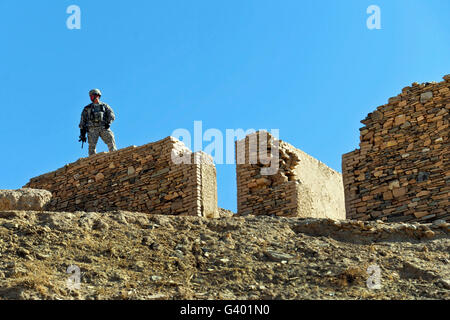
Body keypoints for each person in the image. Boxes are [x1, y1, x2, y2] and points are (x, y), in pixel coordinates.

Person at [79, 89, 117, 156]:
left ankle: (114, 155)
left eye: (92, 96)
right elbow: (82, 121)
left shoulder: (104, 106)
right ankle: (92, 160)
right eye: (90, 96)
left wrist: (108, 123)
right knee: (91, 147)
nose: (91, 97)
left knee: (111, 140)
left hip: (103, 127)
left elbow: (112, 115)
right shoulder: (87, 108)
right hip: (92, 129)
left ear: (97, 96)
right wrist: (82, 133)